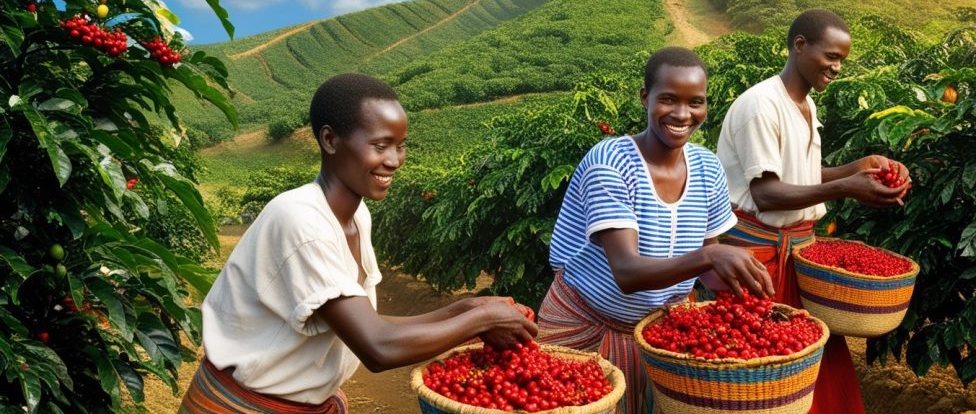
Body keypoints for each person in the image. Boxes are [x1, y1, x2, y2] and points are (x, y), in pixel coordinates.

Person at [179, 73, 537, 413]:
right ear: (330, 140)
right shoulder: (300, 219)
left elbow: (368, 323)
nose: (394, 161)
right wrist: (481, 320)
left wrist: (467, 310)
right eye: (381, 145)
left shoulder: (356, 214)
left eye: (401, 146)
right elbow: (378, 347)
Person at [537, 47, 774, 414]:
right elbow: (627, 273)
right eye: (668, 99)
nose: (682, 114)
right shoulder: (611, 162)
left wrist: (743, 290)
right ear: (645, 98)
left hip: (655, 334)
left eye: (696, 102)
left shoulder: (708, 168)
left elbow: (706, 267)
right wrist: (711, 255)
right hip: (583, 327)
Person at [715, 9, 911, 414]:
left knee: (815, 369)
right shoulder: (761, 106)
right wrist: (845, 189)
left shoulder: (804, 106)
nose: (837, 67)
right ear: (799, 45)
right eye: (831, 56)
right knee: (765, 377)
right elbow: (767, 194)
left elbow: (800, 176)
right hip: (760, 263)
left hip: (798, 254)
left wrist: (859, 168)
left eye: (842, 59)